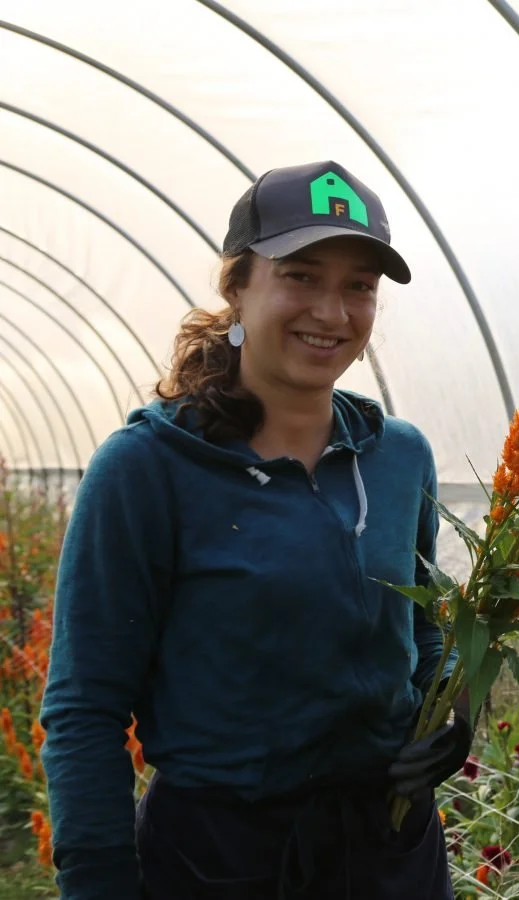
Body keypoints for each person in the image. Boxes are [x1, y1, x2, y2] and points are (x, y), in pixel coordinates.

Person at [39, 160, 473, 900]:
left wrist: (451, 709)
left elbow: (422, 631)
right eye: (301, 276)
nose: (332, 313)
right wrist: (101, 879)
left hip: (390, 851)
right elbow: (86, 706)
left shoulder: (400, 456)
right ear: (237, 285)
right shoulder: (148, 468)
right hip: (221, 859)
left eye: (359, 286)